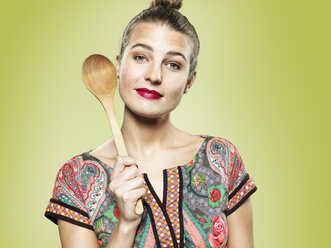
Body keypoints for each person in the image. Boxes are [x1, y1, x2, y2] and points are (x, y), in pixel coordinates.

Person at [44, 0, 257, 247]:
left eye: (173, 64)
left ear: (189, 81)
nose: (154, 76)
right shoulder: (77, 179)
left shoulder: (221, 158)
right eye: (141, 57)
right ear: (118, 66)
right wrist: (126, 224)